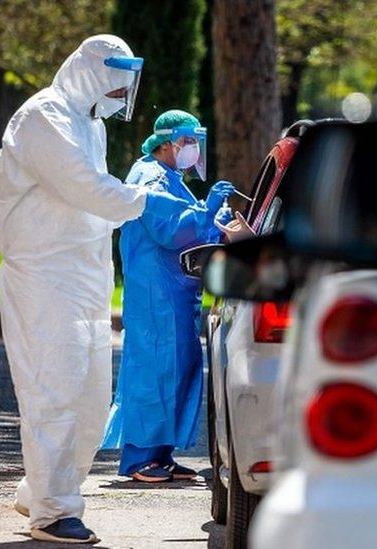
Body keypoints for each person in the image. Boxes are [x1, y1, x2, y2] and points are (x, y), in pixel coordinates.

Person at [0, 35, 191, 544]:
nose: (121, 96)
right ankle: (53, 511)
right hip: (44, 276)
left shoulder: (89, 123)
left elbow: (89, 200)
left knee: (88, 396)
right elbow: (83, 185)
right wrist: (145, 201)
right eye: (116, 84)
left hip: (83, 276)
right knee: (53, 389)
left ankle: (40, 489)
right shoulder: (44, 117)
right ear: (93, 73)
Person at [101, 110, 235, 482]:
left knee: (177, 369)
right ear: (167, 142)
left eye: (195, 141)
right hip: (154, 293)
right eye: (188, 141)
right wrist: (207, 212)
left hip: (175, 291)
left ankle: (161, 454)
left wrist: (213, 218)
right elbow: (169, 229)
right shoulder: (149, 177)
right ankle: (139, 457)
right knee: (153, 370)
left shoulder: (172, 176)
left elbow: (190, 222)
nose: (193, 149)